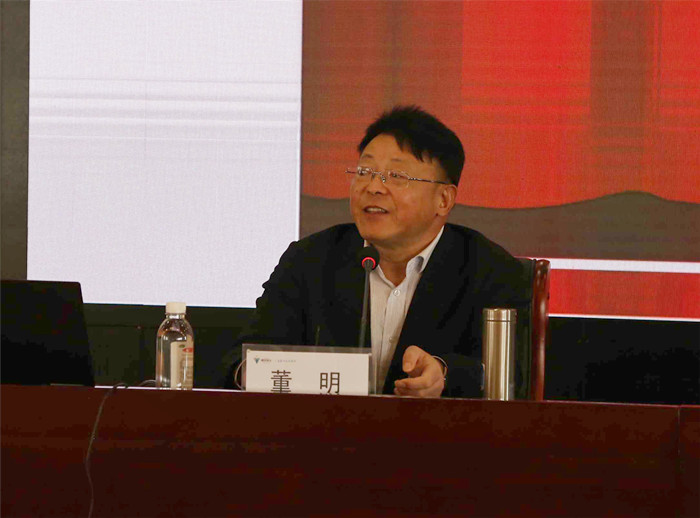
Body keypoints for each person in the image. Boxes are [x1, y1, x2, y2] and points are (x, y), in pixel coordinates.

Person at [224, 105, 529, 398]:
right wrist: (259, 373)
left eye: (396, 176)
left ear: (444, 199)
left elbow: (513, 378)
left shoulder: (490, 270)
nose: (373, 187)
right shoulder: (310, 259)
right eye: (364, 171)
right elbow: (242, 361)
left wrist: (444, 374)